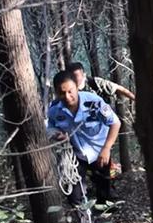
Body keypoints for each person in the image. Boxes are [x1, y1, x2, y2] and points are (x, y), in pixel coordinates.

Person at [47, 71, 121, 208]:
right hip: (75, 156)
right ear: (57, 93)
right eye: (62, 93)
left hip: (100, 152)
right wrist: (56, 134)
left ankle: (106, 213)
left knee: (104, 186)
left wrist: (106, 149)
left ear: (77, 87)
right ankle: (82, 221)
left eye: (70, 91)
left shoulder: (93, 102)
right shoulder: (54, 110)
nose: (67, 97)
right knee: (74, 193)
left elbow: (115, 123)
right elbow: (50, 127)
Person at [66, 62, 135, 101]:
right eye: (71, 77)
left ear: (84, 75)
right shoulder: (67, 91)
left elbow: (118, 88)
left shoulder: (95, 83)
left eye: (76, 76)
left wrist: (136, 100)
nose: (73, 79)